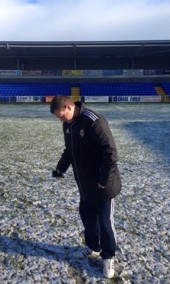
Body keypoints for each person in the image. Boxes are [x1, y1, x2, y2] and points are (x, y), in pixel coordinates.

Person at [50, 96, 121, 279]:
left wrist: (104, 179)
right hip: (85, 184)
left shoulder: (93, 120)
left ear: (68, 106)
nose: (61, 120)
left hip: (104, 185)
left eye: (61, 116)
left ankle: (108, 257)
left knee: (105, 222)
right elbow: (69, 151)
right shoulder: (68, 124)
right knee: (88, 218)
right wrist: (60, 168)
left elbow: (110, 151)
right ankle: (93, 248)